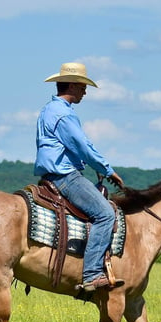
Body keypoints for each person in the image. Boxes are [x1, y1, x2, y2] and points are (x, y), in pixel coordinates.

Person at [34, 62, 125, 292]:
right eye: (83, 86)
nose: (85, 91)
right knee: (105, 214)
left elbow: (73, 147)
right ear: (73, 85)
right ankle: (92, 274)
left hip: (52, 174)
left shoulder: (48, 110)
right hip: (65, 176)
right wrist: (107, 169)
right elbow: (82, 146)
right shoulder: (64, 114)